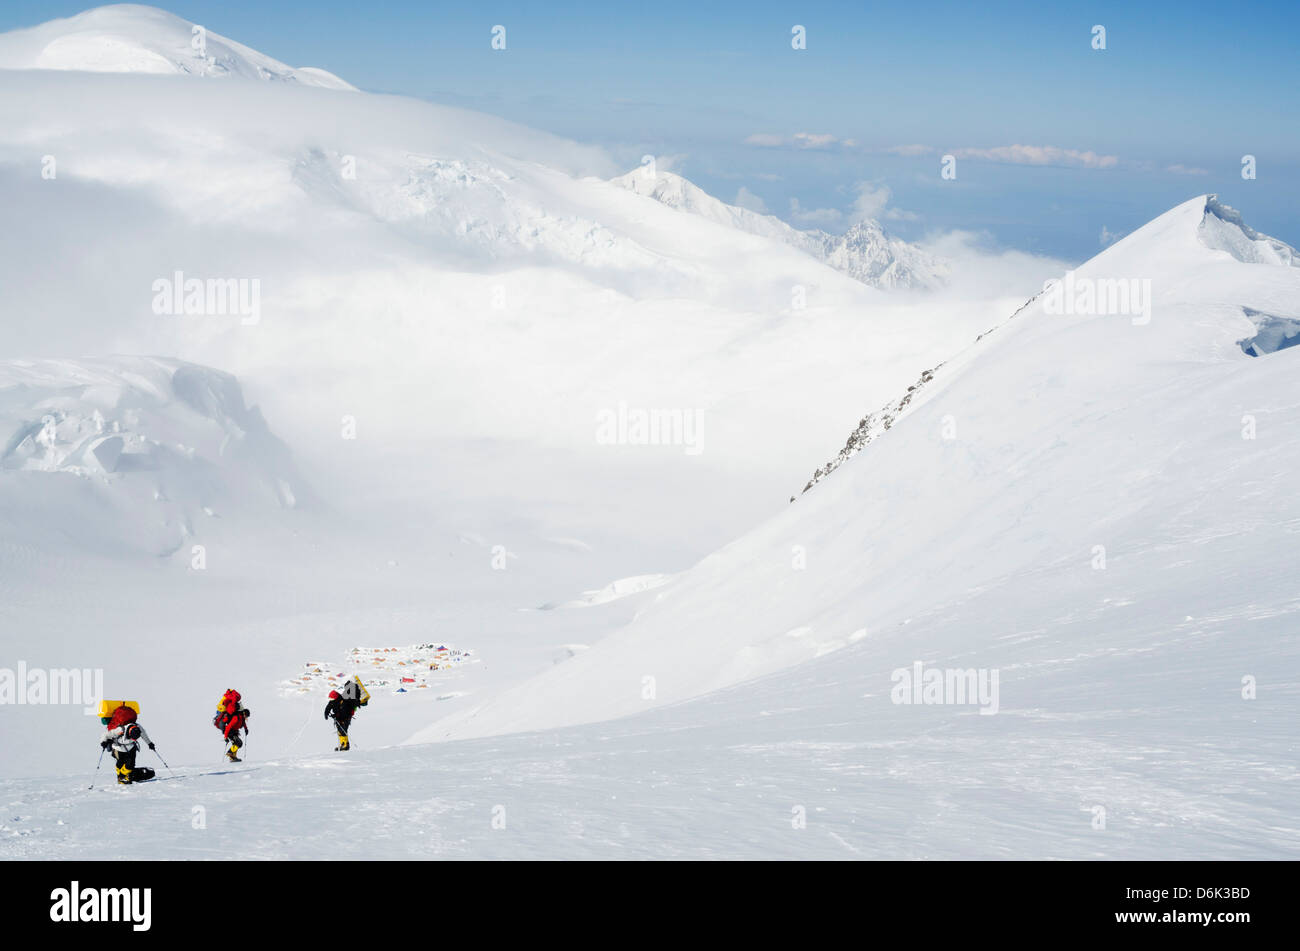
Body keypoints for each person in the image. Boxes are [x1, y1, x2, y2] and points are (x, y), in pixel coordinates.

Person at [102, 719, 156, 785]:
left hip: (131, 747)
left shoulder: (138, 727)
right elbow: (106, 735)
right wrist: (103, 742)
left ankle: (122, 777)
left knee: (130, 764)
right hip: (118, 748)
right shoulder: (120, 729)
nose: (134, 739)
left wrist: (149, 743)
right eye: (133, 738)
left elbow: (144, 735)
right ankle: (122, 778)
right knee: (120, 763)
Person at [324, 676, 370, 751]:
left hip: (345, 718)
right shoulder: (334, 701)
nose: (331, 700)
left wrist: (336, 715)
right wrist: (326, 713)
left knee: (343, 731)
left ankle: (345, 745)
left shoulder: (343, 702)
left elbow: (344, 712)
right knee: (340, 731)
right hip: (339, 717)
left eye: (332, 698)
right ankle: (342, 744)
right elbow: (328, 706)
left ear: (335, 697)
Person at [213, 688, 252, 762]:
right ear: (244, 714)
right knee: (239, 743)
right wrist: (225, 736)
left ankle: (233, 757)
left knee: (236, 743)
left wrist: (246, 729)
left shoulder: (241, 718)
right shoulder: (236, 718)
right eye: (246, 716)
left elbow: (243, 724)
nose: (246, 718)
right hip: (230, 731)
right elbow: (229, 726)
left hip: (233, 731)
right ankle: (230, 753)